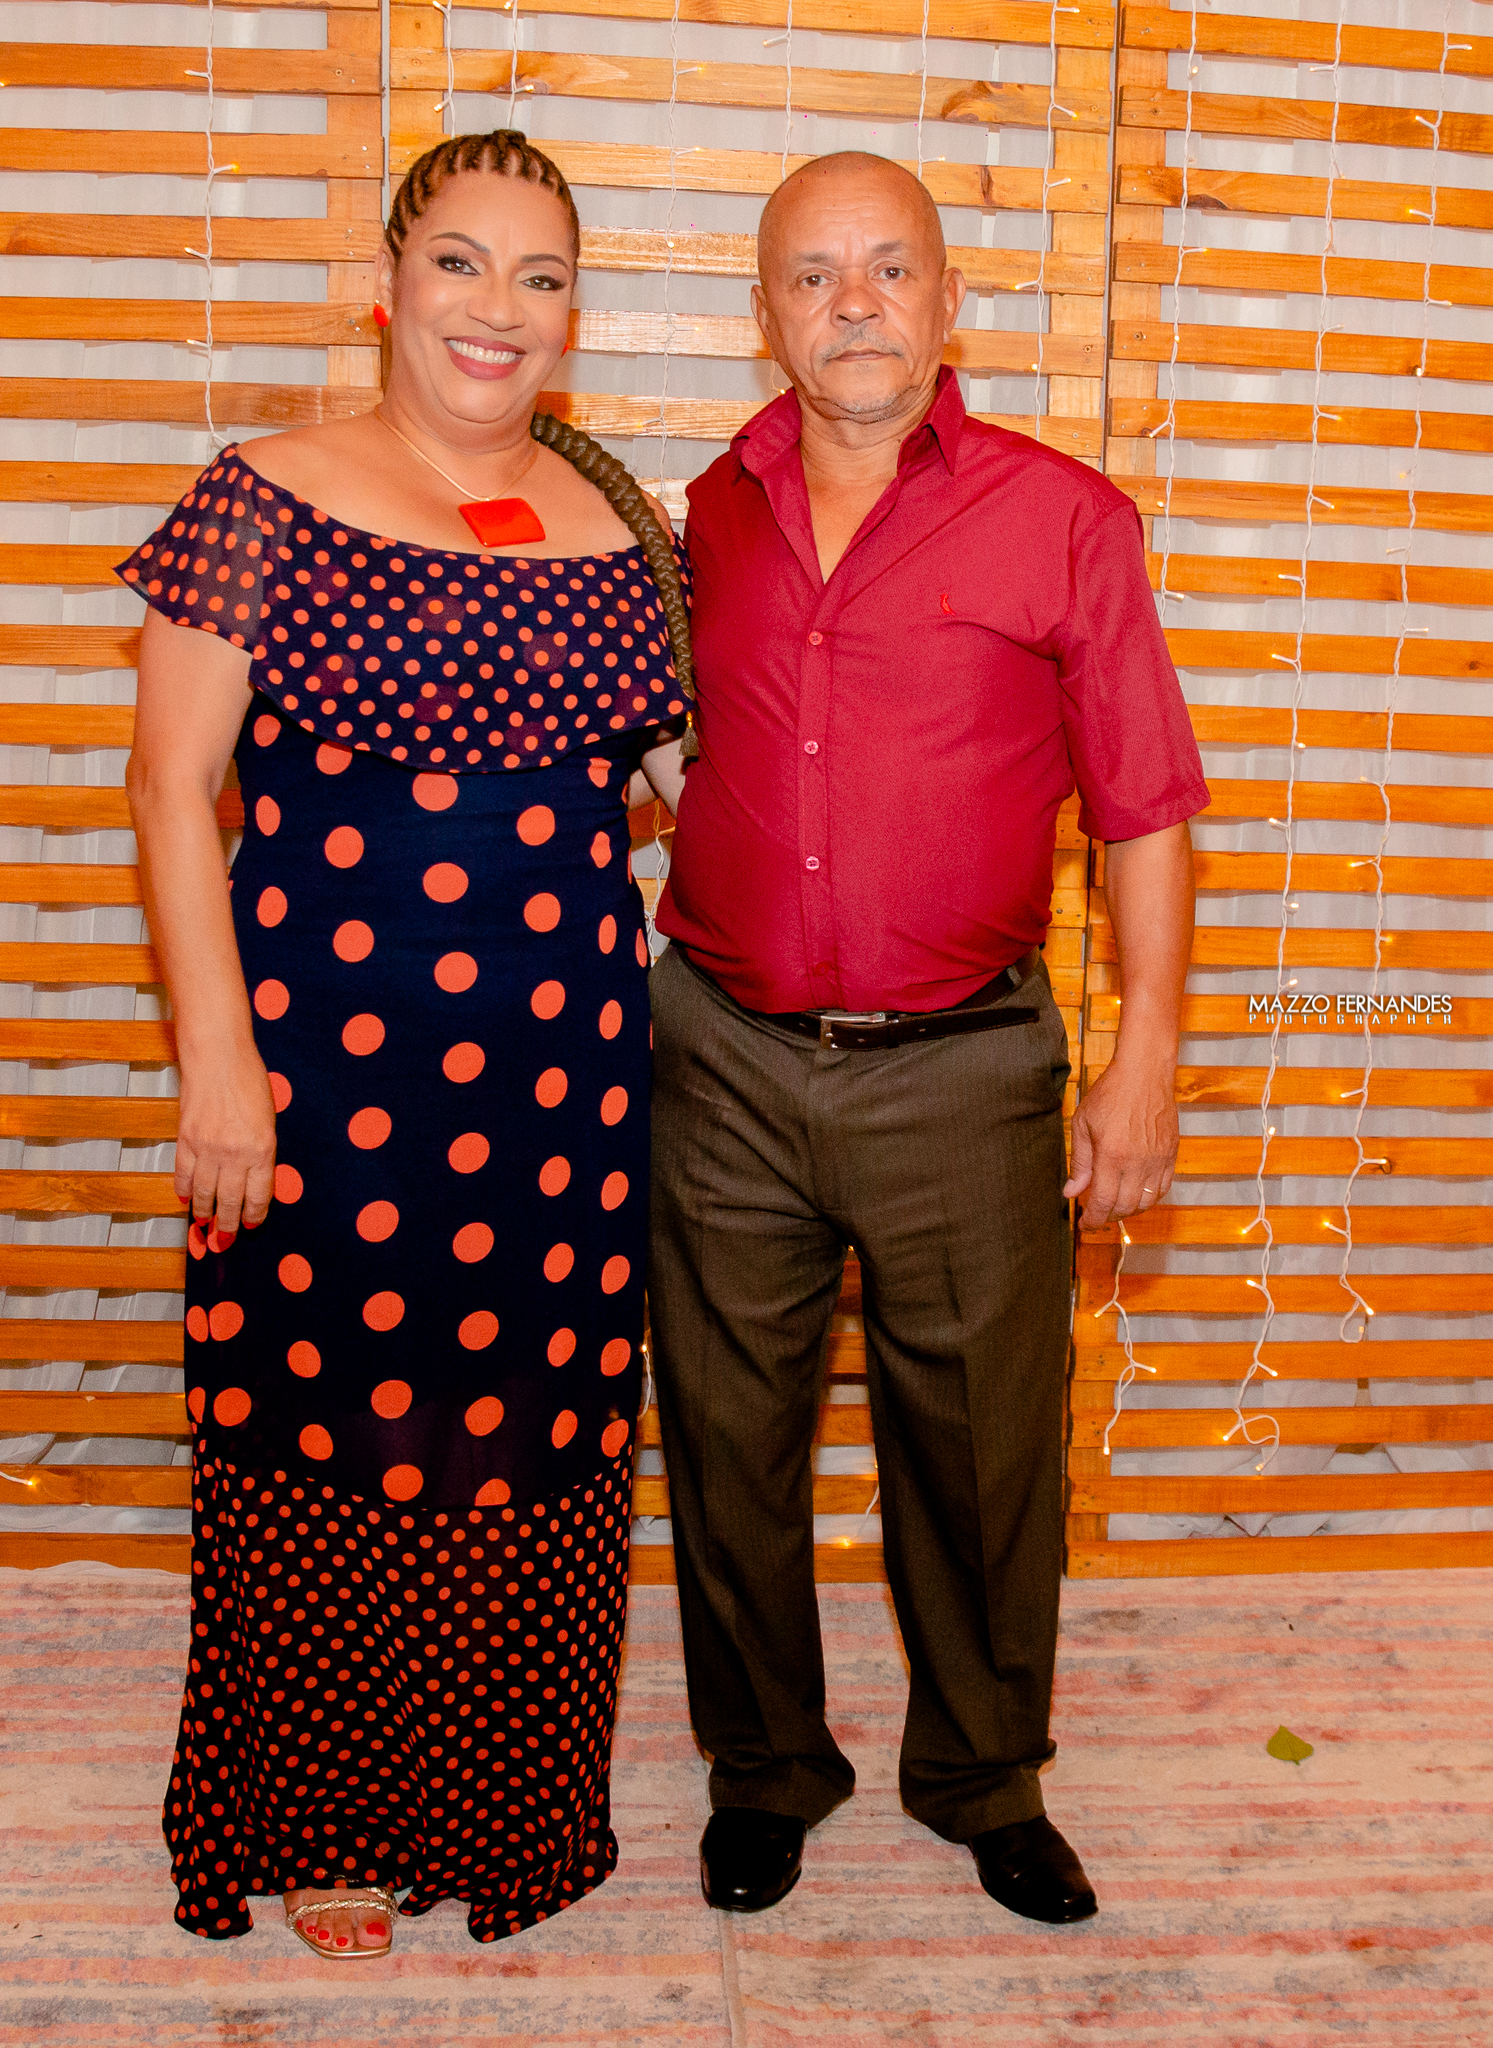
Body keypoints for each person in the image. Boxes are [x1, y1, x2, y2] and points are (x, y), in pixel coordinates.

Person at [120, 131, 689, 1955]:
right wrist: (217, 1063)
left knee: (531, 1434)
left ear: (572, 314)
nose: (496, 307)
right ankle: (321, 1822)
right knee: (326, 1421)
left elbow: (683, 797)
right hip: (321, 1081)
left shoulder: (623, 539)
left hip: (563, 1096)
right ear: (389, 282)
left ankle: (508, 1809)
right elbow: (168, 788)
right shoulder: (264, 497)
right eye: (460, 261)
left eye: (539, 275)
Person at [643, 151, 1208, 1924]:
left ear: (949, 300)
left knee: (978, 1457)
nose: (854, 304)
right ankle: (764, 1771)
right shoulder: (710, 511)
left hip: (964, 1068)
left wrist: (1141, 1059)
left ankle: (980, 1776)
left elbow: (1146, 807)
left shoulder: (1065, 518)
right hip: (722, 1058)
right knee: (727, 1440)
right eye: (812, 275)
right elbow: (676, 743)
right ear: (765, 315)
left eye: (889, 266)